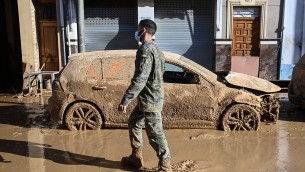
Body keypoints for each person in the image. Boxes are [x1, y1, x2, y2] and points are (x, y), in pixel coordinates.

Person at [118, 19, 172, 172]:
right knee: (134, 122)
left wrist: (126, 99)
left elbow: (141, 78)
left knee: (155, 133)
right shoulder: (157, 50)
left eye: (138, 29)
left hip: (150, 99)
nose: (136, 32)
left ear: (143, 31)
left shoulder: (145, 51)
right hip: (148, 98)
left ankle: (165, 165)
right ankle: (136, 157)